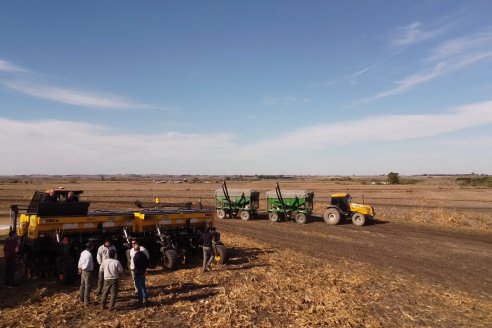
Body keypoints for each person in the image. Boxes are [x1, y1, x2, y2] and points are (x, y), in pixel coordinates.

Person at [78, 242, 94, 306]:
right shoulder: (89, 255)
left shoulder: (83, 252)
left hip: (82, 271)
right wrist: (84, 268)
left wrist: (80, 268)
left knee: (82, 285)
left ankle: (81, 299)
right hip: (87, 271)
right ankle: (86, 302)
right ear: (91, 247)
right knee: (88, 286)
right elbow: (87, 265)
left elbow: (80, 261)